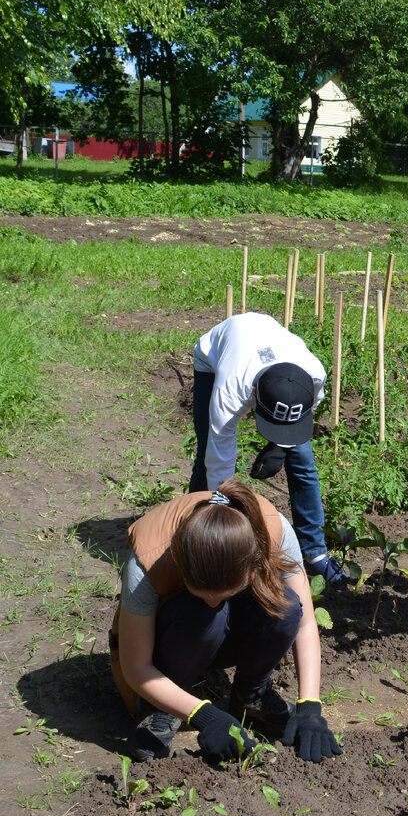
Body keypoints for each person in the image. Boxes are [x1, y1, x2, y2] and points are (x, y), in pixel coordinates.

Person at [110, 480, 341, 764]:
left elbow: (305, 624)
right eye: (201, 592)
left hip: (218, 629)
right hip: (170, 636)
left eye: (225, 594)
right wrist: (204, 716)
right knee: (204, 613)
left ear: (252, 562)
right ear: (181, 563)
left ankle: (251, 696)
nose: (213, 601)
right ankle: (164, 708)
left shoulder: (274, 531)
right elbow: (135, 666)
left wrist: (309, 708)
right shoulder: (149, 558)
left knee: (288, 607)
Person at [189, 311, 346, 584]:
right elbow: (220, 457)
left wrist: (281, 444)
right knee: (206, 454)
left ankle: (315, 553)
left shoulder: (313, 374)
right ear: (252, 396)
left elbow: (308, 409)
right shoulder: (231, 387)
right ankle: (196, 537)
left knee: (302, 459)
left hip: (270, 352)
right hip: (213, 360)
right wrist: (222, 512)